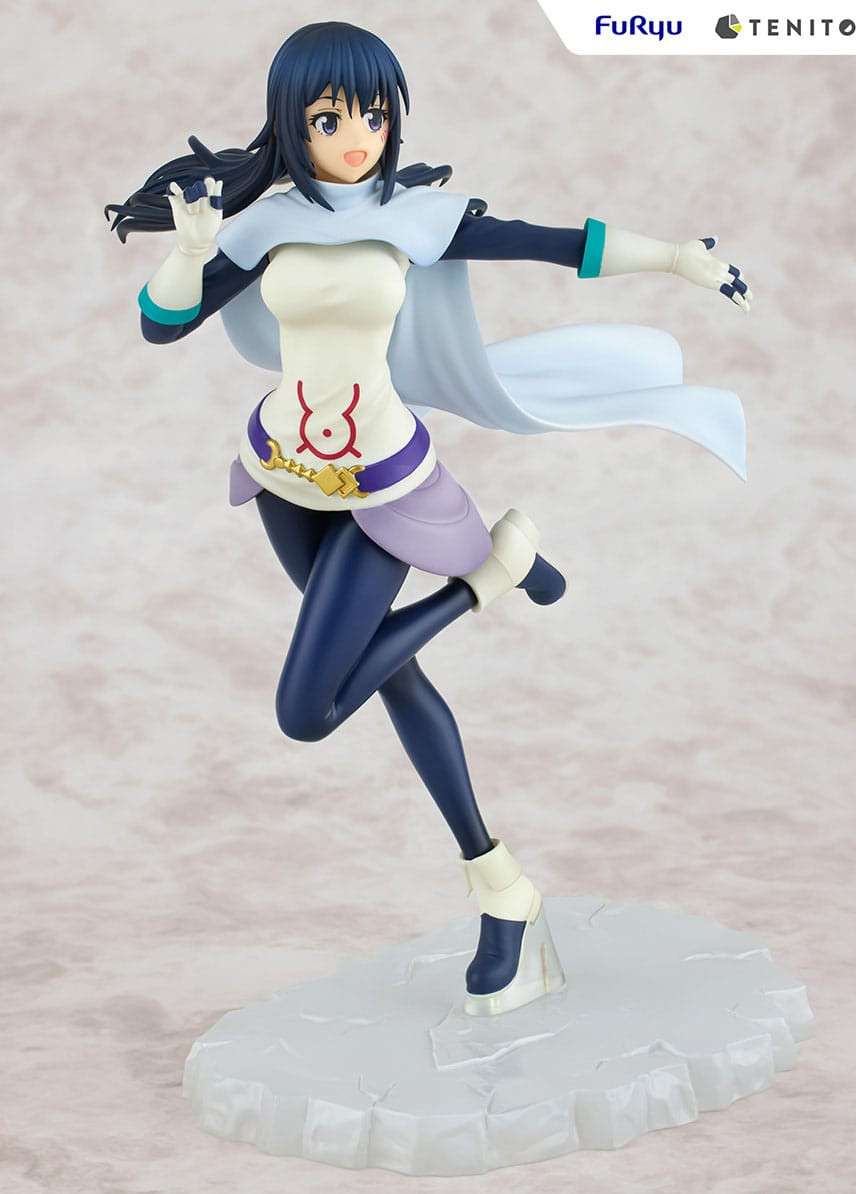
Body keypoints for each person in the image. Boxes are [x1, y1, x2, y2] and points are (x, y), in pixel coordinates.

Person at [106, 20, 750, 1019]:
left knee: (309, 710)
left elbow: (553, 244)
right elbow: (161, 324)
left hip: (382, 486)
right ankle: (503, 889)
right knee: (385, 675)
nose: (357, 135)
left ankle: (488, 576)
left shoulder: (417, 218)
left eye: (373, 113)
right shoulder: (262, 226)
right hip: (284, 477)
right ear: (291, 122)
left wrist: (675, 258)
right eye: (330, 118)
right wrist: (192, 253)